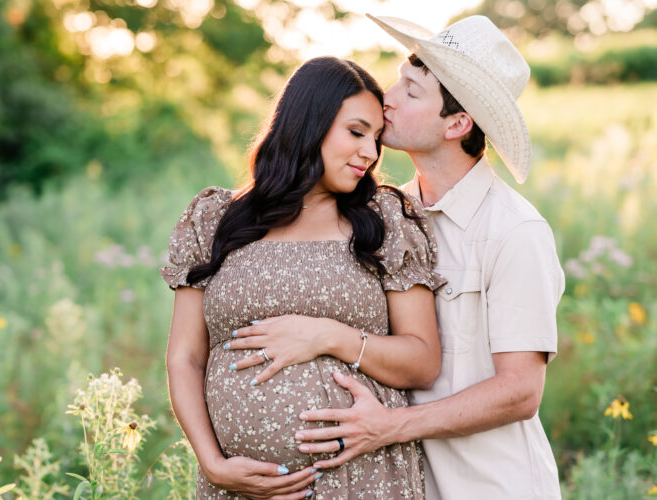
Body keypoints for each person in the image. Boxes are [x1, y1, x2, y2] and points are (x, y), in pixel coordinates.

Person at [234, 15, 565, 500]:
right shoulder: (382, 217)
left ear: (457, 123)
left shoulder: (514, 231)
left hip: (492, 486)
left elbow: (519, 391)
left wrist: (389, 426)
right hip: (402, 485)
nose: (388, 96)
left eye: (412, 91)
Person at [161, 56, 446, 499]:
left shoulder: (384, 222)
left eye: (376, 139)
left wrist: (329, 335)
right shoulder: (215, 218)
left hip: (360, 479)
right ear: (307, 123)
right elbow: (185, 358)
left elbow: (423, 360)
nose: (370, 154)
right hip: (238, 488)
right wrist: (212, 464)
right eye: (356, 132)